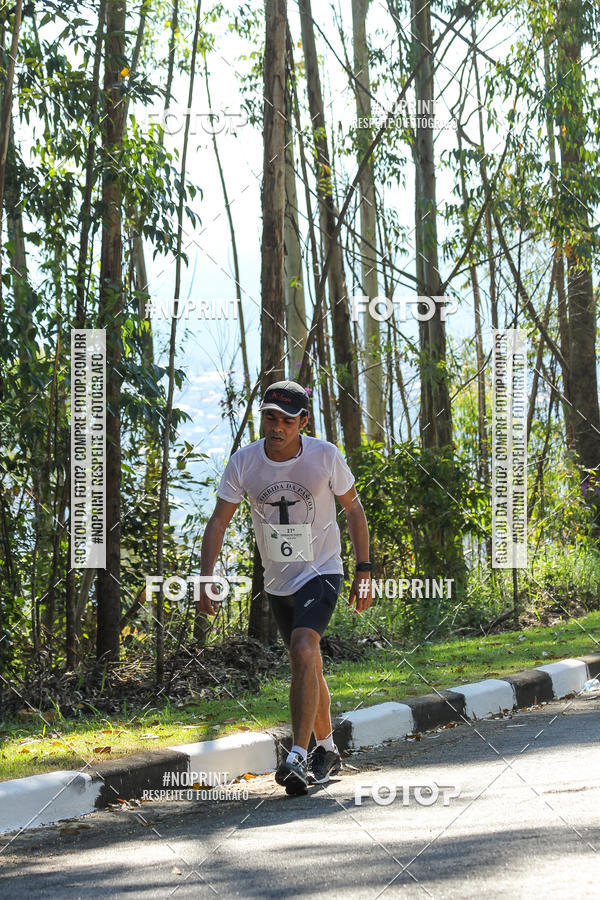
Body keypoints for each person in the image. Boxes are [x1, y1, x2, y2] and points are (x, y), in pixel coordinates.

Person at [196, 380, 373, 795]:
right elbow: (218, 521)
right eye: (270, 418)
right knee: (306, 663)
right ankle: (327, 749)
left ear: (303, 422)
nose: (276, 427)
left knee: (303, 648)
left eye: (286, 420)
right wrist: (207, 576)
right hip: (277, 580)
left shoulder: (324, 456)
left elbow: (354, 509)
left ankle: (297, 754)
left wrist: (364, 570)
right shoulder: (244, 463)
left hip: (323, 570)